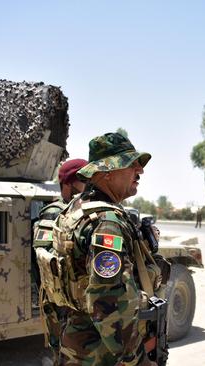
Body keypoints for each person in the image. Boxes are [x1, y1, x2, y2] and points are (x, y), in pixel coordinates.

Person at [55, 132, 166, 365]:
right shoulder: (107, 223)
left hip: (77, 344)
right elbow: (109, 301)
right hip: (102, 354)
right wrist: (137, 360)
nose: (140, 171)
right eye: (131, 165)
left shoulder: (76, 208)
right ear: (106, 173)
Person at [33, 158, 88, 364]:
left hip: (73, 300)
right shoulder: (55, 212)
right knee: (65, 354)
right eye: (83, 181)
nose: (88, 186)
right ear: (68, 184)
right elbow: (44, 256)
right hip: (60, 302)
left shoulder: (78, 210)